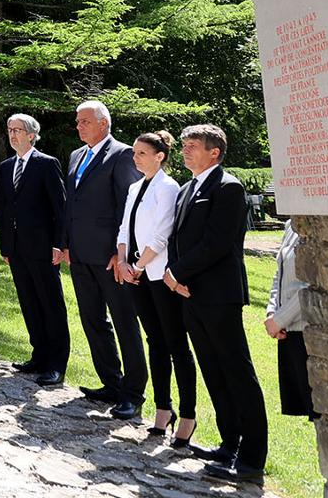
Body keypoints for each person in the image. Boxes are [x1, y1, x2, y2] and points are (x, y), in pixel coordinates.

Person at [164, 124, 267, 482]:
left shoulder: (228, 187)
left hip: (219, 295)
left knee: (237, 372)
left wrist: (177, 273)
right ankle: (229, 444)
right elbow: (177, 238)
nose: (185, 150)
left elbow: (217, 242)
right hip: (189, 293)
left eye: (193, 145)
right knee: (213, 370)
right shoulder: (187, 188)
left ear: (214, 153)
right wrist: (175, 276)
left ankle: (252, 460)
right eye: (184, 145)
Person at [61, 100, 146, 420]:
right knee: (93, 320)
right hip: (80, 255)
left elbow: (128, 206)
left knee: (124, 322)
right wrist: (66, 244)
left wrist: (120, 252)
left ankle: (133, 393)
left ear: (104, 124)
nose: (79, 126)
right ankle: (111, 382)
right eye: (77, 121)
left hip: (110, 258)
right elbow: (71, 204)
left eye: (85, 121)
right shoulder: (76, 156)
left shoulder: (122, 154)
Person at [115, 131, 198, 442]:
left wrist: (137, 266)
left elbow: (162, 233)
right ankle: (163, 408)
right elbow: (124, 227)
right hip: (136, 274)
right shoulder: (135, 187)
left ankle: (188, 414)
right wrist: (122, 260)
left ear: (159, 156)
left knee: (176, 344)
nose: (135, 158)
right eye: (134, 153)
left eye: (142, 153)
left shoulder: (168, 187)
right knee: (155, 342)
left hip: (159, 274)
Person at [0, 114, 69, 386]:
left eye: (18, 130)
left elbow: (60, 209)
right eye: (9, 130)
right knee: (28, 302)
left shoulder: (46, 164)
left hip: (43, 248)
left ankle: (56, 365)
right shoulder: (6, 167)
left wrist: (59, 244)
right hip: (16, 248)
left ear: (31, 135)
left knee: (51, 304)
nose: (12, 134)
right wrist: (6, 245)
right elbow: (4, 208)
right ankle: (39, 356)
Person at [265, 220, 316, 421]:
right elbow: (279, 273)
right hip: (290, 332)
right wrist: (272, 312)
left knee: (321, 412)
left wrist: (280, 319)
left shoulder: (320, 224)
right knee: (312, 410)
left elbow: (315, 283)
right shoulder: (291, 224)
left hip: (309, 329)